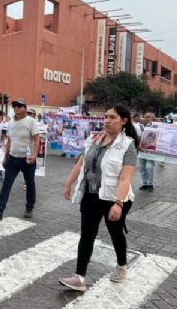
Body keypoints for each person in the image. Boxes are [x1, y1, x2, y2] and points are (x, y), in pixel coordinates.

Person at [59, 105, 139, 290]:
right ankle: (79, 277)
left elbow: (126, 178)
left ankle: (121, 266)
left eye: (112, 117)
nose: (107, 121)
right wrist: (68, 184)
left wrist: (118, 203)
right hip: (90, 195)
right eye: (105, 117)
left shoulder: (127, 146)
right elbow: (81, 162)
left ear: (123, 121)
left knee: (115, 233)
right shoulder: (94, 139)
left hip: (114, 198)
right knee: (87, 234)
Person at [0, 99, 40, 220]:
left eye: (20, 106)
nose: (17, 108)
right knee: (6, 184)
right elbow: (9, 140)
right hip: (13, 159)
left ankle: (29, 207)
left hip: (27, 159)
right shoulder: (10, 123)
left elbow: (37, 139)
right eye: (15, 106)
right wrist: (5, 157)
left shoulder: (31, 122)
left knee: (30, 184)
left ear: (25, 108)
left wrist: (35, 155)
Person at [137, 112, 156, 191]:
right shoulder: (140, 126)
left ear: (153, 118)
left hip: (151, 150)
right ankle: (144, 183)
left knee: (149, 167)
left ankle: (150, 184)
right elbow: (138, 136)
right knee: (142, 167)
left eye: (149, 117)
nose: (146, 118)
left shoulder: (156, 126)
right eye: (145, 116)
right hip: (141, 149)